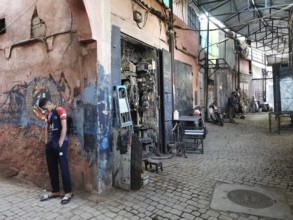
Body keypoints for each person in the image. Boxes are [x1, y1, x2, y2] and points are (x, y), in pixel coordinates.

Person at [38, 98, 73, 205]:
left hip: (60, 144)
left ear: (49, 103)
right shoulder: (48, 114)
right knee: (52, 168)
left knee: (63, 167)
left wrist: (61, 142)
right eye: (43, 109)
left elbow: (64, 126)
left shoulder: (60, 110)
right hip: (50, 144)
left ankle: (68, 192)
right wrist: (46, 142)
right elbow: (47, 128)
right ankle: (55, 191)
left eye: (45, 108)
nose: (45, 110)